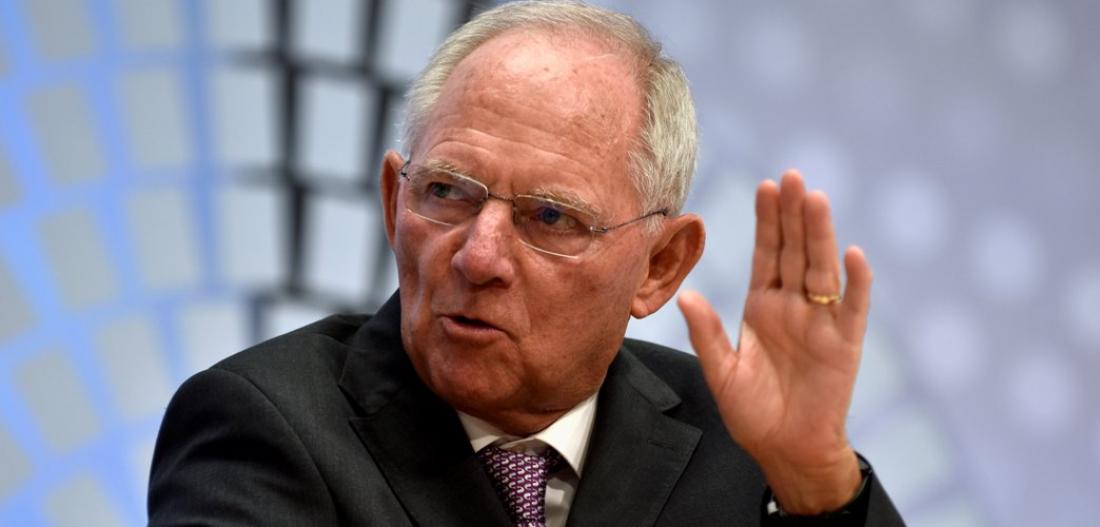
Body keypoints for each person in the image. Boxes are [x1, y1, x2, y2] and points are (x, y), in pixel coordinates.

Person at [148, 1, 905, 525]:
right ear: (392, 200)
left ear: (660, 266)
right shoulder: (264, 428)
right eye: (447, 192)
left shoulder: (745, 447)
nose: (479, 257)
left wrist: (818, 488)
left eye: (550, 218)